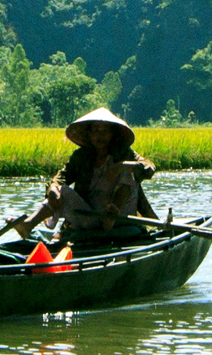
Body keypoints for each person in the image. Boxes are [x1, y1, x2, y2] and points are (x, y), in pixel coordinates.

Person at [12, 107, 158, 252]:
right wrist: (52, 190)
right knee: (60, 191)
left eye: (104, 131)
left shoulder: (123, 153)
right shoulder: (81, 157)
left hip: (118, 215)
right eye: (95, 131)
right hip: (90, 216)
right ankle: (28, 224)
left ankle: (111, 216)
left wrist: (121, 166)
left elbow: (148, 168)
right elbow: (60, 178)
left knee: (128, 173)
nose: (99, 135)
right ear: (89, 134)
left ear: (112, 134)